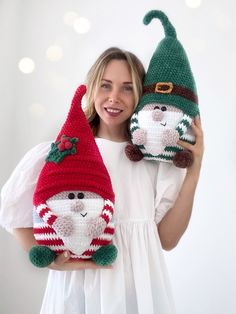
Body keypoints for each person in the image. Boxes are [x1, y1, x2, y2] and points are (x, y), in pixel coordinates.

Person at [0, 47, 204, 314]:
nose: (114, 97)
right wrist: (53, 262)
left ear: (141, 94)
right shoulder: (63, 151)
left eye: (127, 88)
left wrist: (195, 168)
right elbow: (16, 217)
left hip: (138, 293)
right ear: (92, 88)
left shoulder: (153, 160)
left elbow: (167, 239)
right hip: (78, 291)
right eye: (105, 86)